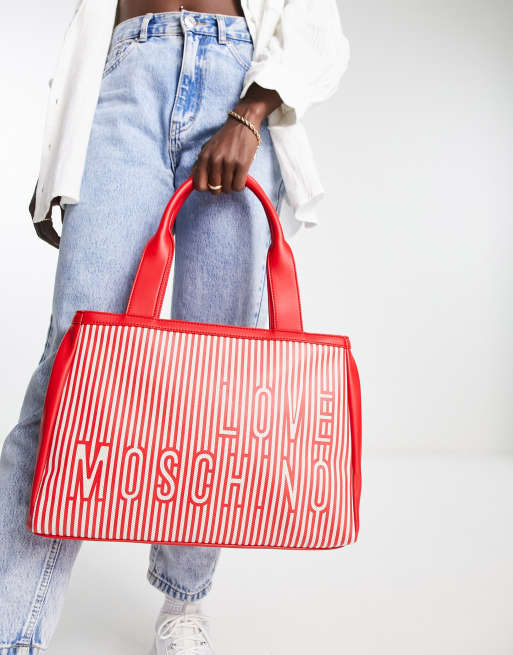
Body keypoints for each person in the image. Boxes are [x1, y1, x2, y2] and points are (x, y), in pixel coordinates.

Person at [0, 1, 350, 653]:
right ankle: (11, 626)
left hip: (236, 74)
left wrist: (250, 112)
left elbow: (314, 24)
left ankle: (184, 599)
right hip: (125, 79)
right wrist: (60, 160)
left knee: (217, 383)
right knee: (72, 374)